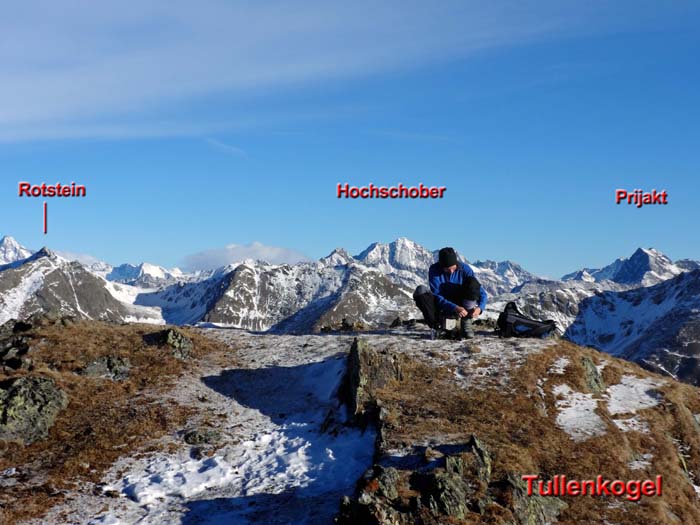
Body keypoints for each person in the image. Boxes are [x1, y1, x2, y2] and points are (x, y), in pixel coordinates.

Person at [413, 247, 487, 339]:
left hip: (462, 303)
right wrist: (454, 307)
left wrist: (480, 308)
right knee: (421, 291)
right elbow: (437, 295)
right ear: (441, 266)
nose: (451, 271)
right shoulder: (434, 270)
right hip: (442, 304)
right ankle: (436, 326)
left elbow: (481, 292)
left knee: (472, 283)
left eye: (453, 268)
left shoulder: (465, 269)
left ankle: (466, 322)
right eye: (447, 269)